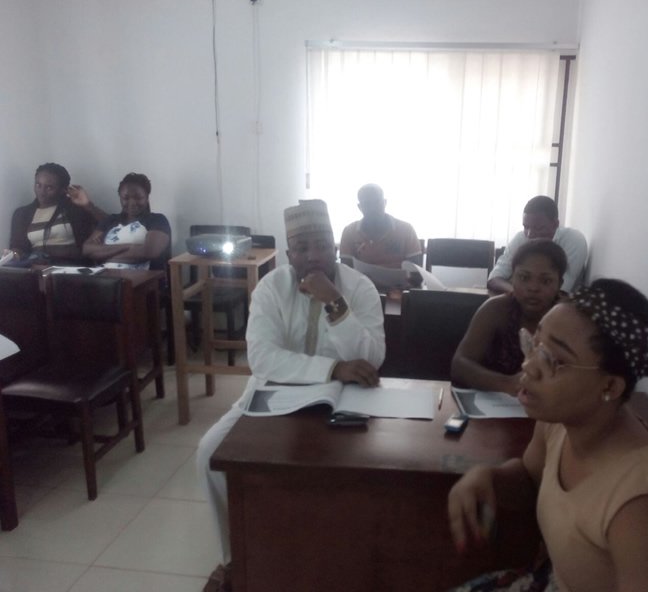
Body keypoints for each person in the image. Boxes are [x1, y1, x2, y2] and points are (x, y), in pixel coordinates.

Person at [448, 279, 648, 592]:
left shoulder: (642, 507)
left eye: (554, 360)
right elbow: (531, 477)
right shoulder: (560, 422)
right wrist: (488, 478)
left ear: (609, 387)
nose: (528, 365)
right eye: (534, 344)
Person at [197, 199, 385, 591]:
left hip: (346, 397)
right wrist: (331, 368)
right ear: (289, 254)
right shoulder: (271, 286)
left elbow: (371, 357)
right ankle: (233, 558)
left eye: (321, 245)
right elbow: (262, 358)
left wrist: (334, 301)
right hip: (275, 392)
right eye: (302, 248)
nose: (313, 256)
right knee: (208, 452)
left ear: (335, 245)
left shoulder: (360, 287)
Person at [451, 240, 566, 395]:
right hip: (496, 407)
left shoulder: (571, 318)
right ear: (512, 278)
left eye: (545, 280)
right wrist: (508, 384)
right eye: (524, 278)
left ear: (560, 284)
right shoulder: (496, 310)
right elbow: (459, 365)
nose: (533, 288)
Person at [3, 163, 107, 265]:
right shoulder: (22, 214)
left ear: (63, 190)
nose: (42, 192)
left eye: (49, 188)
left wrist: (88, 205)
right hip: (37, 269)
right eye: (38, 185)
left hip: (71, 267)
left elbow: (112, 227)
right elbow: (18, 247)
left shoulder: (74, 209)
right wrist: (13, 254)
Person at [488, 196, 587, 295]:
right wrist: (518, 293)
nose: (530, 235)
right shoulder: (521, 237)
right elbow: (493, 279)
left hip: (559, 306)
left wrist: (523, 293)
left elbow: (561, 291)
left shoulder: (573, 240)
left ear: (555, 224)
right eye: (526, 227)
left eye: (538, 228)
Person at [82, 172, 171, 270]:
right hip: (105, 278)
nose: (132, 203)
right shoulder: (110, 220)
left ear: (147, 197)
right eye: (126, 198)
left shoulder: (157, 220)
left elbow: (149, 252)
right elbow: (87, 249)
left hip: (145, 280)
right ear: (120, 197)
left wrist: (102, 253)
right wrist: (129, 247)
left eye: (138, 197)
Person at [339, 183, 423, 268]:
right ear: (360, 207)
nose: (373, 208)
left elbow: (416, 270)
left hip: (399, 281)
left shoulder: (406, 230)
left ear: (385, 203)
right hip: (360, 281)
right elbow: (345, 270)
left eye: (377, 202)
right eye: (367, 204)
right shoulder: (349, 232)